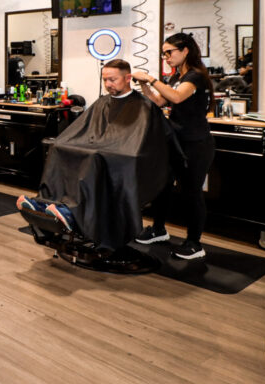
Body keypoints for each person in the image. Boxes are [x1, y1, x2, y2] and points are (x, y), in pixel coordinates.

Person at [17, 59, 174, 249]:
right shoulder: (103, 102)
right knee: (59, 148)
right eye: (105, 80)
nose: (108, 84)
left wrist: (109, 149)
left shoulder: (144, 105)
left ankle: (71, 212)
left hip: (127, 160)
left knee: (93, 158)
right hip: (105, 151)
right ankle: (47, 203)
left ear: (127, 78)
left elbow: (146, 145)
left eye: (113, 80)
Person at [132, 33, 215, 260]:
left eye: (170, 52)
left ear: (185, 50)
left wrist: (150, 79)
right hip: (175, 141)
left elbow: (177, 98)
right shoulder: (176, 77)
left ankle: (194, 243)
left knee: (191, 192)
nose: (166, 57)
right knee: (162, 185)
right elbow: (160, 101)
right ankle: (158, 229)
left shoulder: (195, 76)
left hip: (196, 144)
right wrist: (143, 85)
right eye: (164, 53)